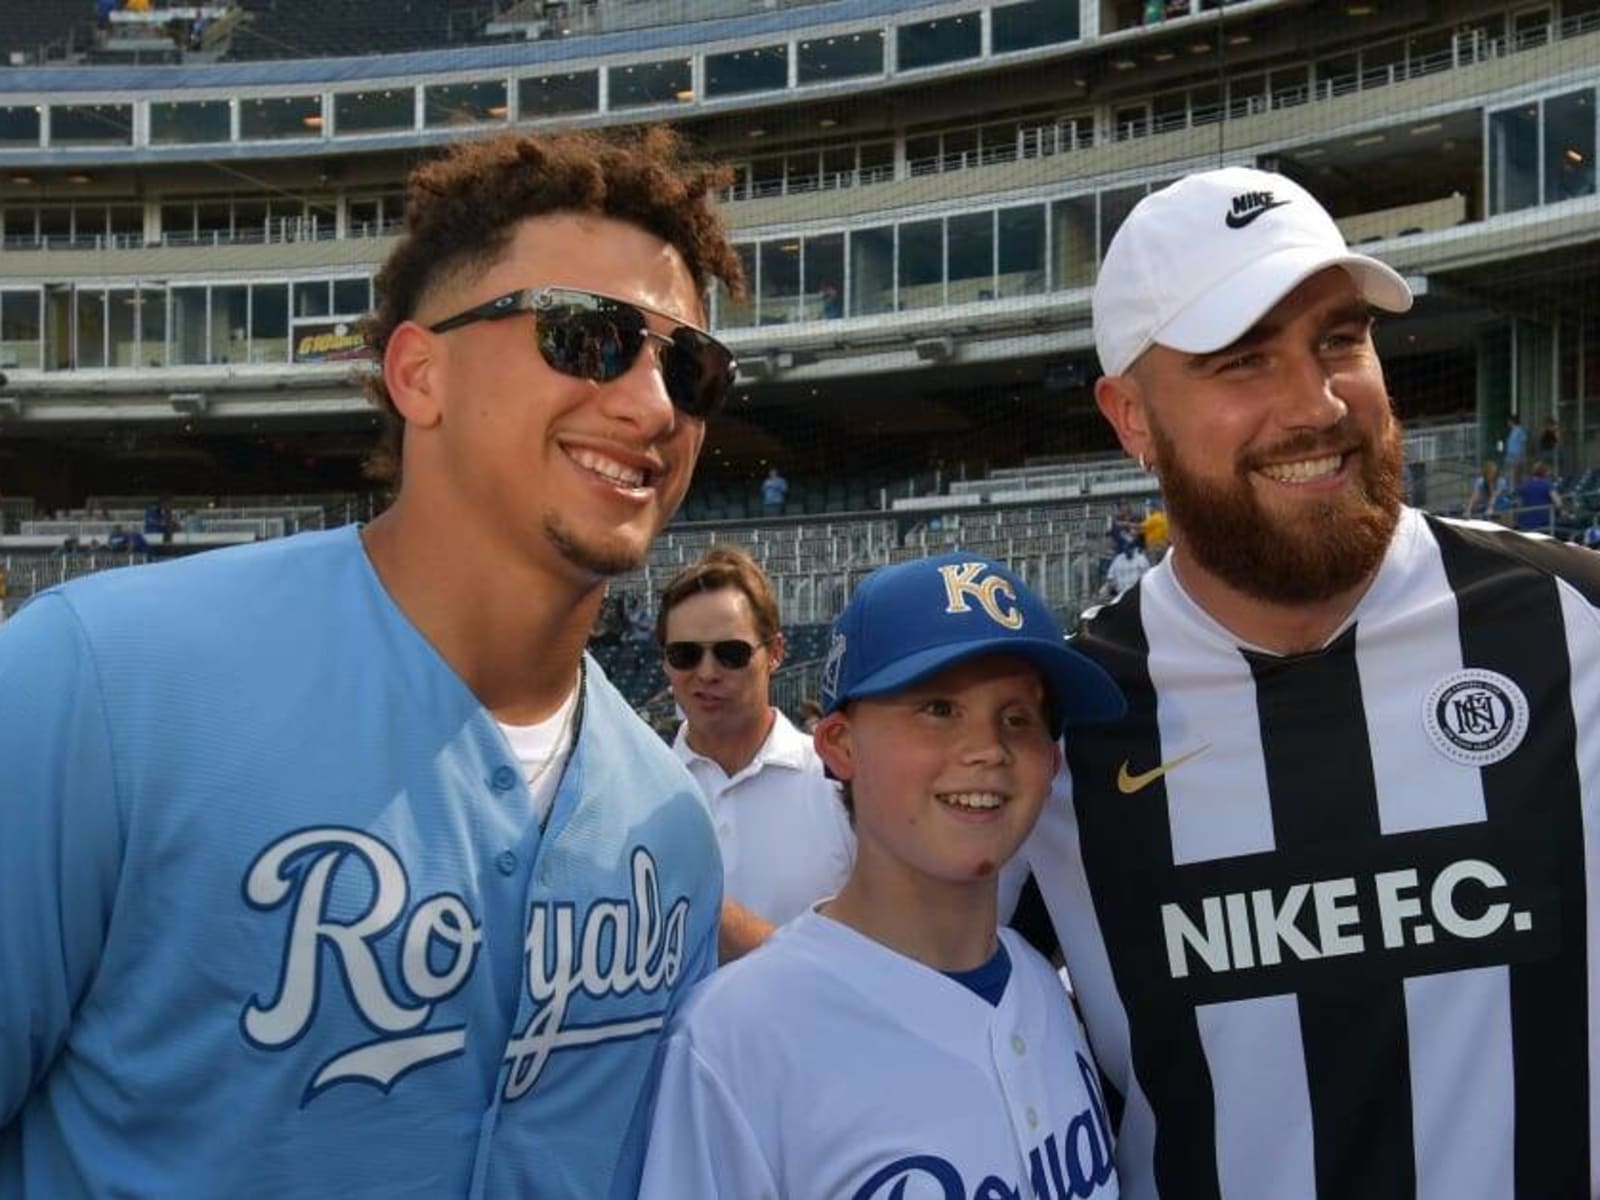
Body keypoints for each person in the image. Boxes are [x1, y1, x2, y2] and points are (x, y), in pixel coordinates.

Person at [0, 127, 744, 1199]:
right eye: (586, 337)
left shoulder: (667, 829)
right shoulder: (101, 685)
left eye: (690, 366)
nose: (652, 404)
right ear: (418, 372)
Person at [1015, 165, 1600, 1198]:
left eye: (1338, 339)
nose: (1316, 402)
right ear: (1130, 417)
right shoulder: (1062, 724)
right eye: (1242, 361)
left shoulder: (1577, 624)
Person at [638, 552, 1126, 1199]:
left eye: (1019, 717)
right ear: (839, 744)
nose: (988, 749)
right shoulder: (730, 1040)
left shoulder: (1039, 985)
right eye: (938, 709)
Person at [657, 546, 854, 962]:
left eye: (731, 653)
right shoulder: (632, 796)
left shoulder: (839, 783)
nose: (706, 672)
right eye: (685, 655)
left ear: (776, 653)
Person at [1514, 459, 1565, 532]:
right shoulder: (1547, 485)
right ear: (1544, 472)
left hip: (1525, 523)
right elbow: (1558, 503)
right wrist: (1563, 512)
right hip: (1544, 522)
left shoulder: (1524, 485)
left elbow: (1518, 503)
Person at [1503, 412, 1528, 486]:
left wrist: (1522, 456)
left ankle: (1515, 489)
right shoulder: (1512, 431)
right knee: (1509, 474)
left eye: (1508, 421)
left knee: (1515, 474)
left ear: (1512, 421)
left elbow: (1523, 444)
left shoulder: (1520, 430)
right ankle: (1511, 489)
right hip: (1510, 455)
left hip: (1516, 456)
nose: (1507, 423)